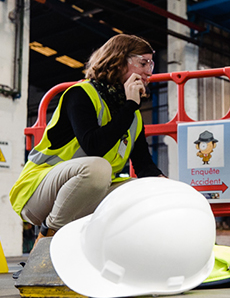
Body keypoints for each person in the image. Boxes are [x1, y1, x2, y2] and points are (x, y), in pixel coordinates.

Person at [10, 33, 164, 241]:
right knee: (98, 168)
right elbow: (94, 146)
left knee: (144, 189)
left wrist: (170, 189)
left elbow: (145, 166)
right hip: (39, 192)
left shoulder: (133, 114)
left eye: (151, 65)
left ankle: (105, 252)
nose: (149, 72)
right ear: (118, 61)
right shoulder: (81, 94)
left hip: (86, 194)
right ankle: (47, 240)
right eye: (143, 63)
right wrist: (129, 107)